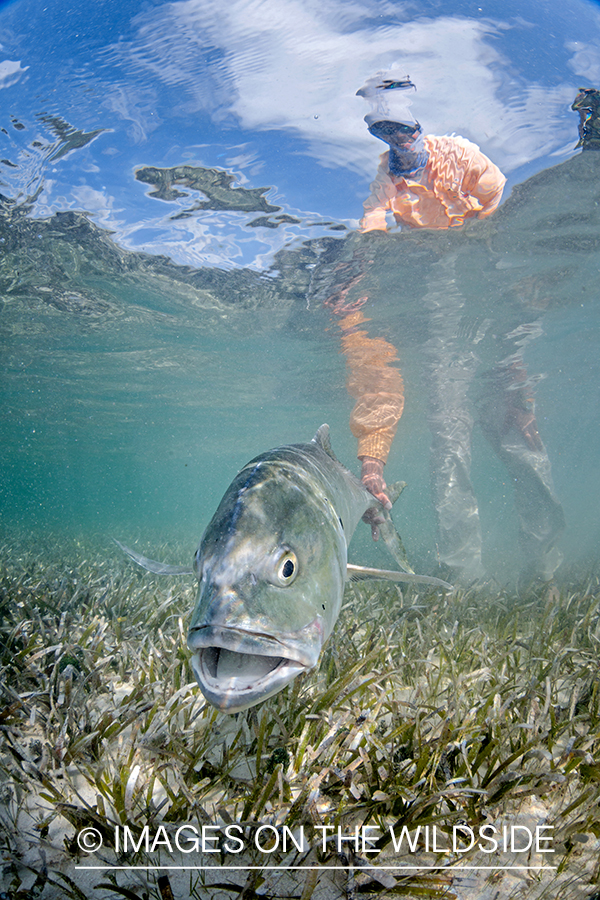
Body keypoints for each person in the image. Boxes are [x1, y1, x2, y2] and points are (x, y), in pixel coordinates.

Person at [325, 76, 564, 585]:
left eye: (403, 133)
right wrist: (371, 465)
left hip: (488, 299)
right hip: (441, 325)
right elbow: (372, 226)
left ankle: (546, 573)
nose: (397, 146)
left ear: (419, 129)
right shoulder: (384, 180)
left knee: (524, 446)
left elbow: (500, 201)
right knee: (449, 452)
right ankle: (461, 581)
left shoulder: (460, 155)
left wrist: (484, 255)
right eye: (384, 136)